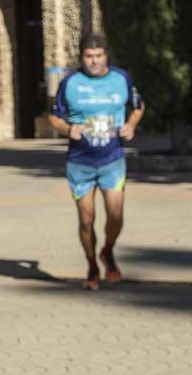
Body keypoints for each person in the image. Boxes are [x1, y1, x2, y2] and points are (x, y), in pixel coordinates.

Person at [48, 33, 144, 290]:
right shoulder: (70, 83)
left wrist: (131, 126)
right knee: (87, 219)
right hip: (80, 162)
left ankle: (108, 250)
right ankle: (91, 264)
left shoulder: (121, 79)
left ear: (106, 56)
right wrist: (68, 129)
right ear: (81, 58)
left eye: (98, 56)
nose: (94, 61)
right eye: (89, 57)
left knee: (115, 214)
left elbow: (138, 106)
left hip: (112, 159)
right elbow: (54, 117)